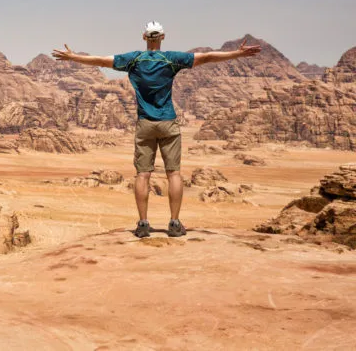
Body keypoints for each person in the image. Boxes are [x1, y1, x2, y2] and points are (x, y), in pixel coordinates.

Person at [52, 21, 261, 238]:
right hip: (168, 122)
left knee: (142, 175)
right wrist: (237, 54)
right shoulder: (171, 59)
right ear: (162, 37)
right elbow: (206, 57)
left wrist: (73, 57)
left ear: (144, 38)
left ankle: (143, 224)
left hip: (145, 124)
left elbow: (102, 61)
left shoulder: (133, 60)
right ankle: (174, 223)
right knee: (174, 174)